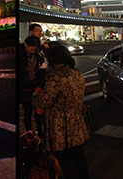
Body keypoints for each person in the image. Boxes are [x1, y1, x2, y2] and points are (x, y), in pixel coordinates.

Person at [33, 45, 90, 179]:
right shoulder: (77, 73)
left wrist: (36, 94)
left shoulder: (55, 77)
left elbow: (43, 102)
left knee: (66, 160)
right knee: (79, 157)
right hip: (76, 121)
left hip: (60, 126)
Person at [20, 36, 42, 133]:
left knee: (38, 109)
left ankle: (39, 130)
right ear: (25, 44)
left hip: (34, 85)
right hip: (24, 86)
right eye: (31, 48)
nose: (32, 51)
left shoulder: (37, 55)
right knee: (27, 110)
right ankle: (29, 131)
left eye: (34, 49)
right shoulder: (20, 54)